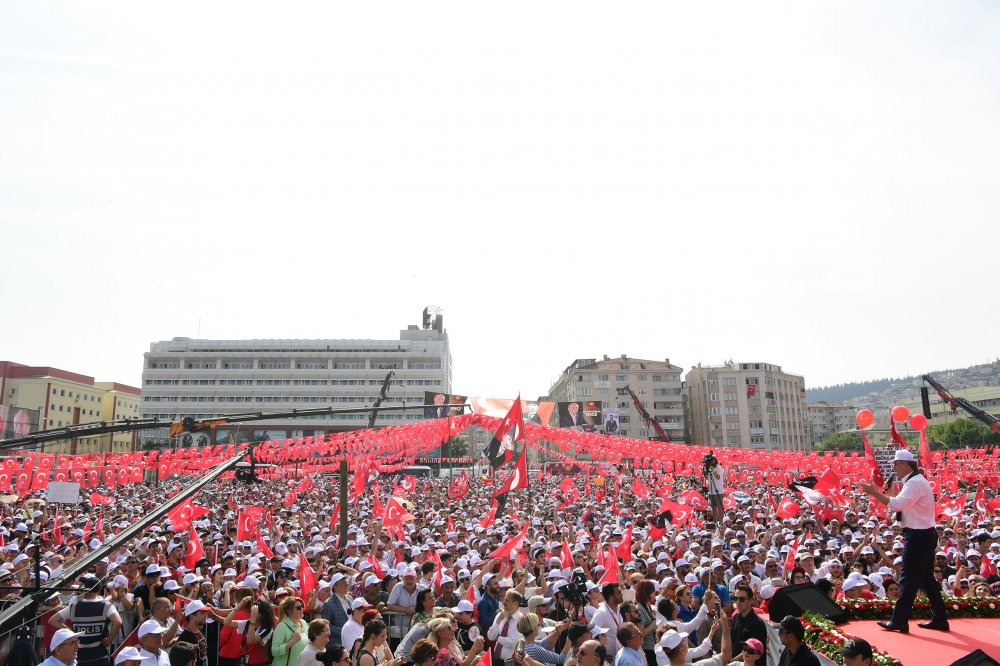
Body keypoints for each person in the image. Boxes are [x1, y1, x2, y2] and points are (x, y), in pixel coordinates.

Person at [860, 449, 949, 633]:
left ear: (906, 465)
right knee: (926, 580)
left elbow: (898, 505)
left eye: (896, 464)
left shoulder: (914, 482)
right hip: (922, 535)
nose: (894, 467)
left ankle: (899, 620)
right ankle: (940, 618)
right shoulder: (914, 481)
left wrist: (874, 492)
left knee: (908, 579)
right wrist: (890, 492)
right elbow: (902, 506)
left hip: (918, 537)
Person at [728, 584, 766, 658]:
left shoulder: (757, 623)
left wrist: (732, 661)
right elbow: (731, 642)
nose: (738, 602)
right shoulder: (736, 618)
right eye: (736, 598)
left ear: (751, 601)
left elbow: (752, 651)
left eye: (742, 599)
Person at [272, 597, 309, 666]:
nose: (302, 609)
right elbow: (274, 651)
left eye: (302, 606)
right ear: (289, 611)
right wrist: (292, 641)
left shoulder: (303, 623)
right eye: (298, 608)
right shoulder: (282, 627)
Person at [705, 455, 724, 524]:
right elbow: (708, 478)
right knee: (713, 507)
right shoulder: (709, 469)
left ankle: (721, 521)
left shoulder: (719, 469)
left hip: (718, 491)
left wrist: (713, 470)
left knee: (719, 507)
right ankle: (715, 521)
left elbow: (718, 477)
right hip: (711, 491)